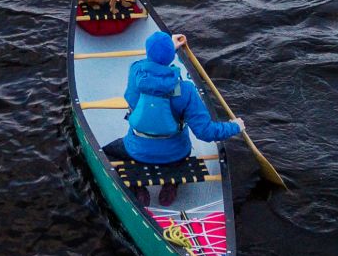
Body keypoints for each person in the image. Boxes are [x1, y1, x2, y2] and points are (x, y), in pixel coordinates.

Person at [102, 31, 245, 206]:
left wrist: (167, 48)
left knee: (106, 151)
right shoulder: (186, 89)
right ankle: (171, 184)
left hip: (137, 150)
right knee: (178, 152)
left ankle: (137, 189)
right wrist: (235, 126)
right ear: (171, 57)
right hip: (176, 154)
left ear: (148, 53)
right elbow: (205, 133)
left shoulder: (135, 72)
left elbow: (132, 96)